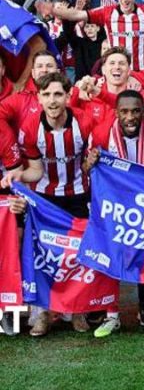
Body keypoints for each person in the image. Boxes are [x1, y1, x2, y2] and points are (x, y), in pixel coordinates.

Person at [1, 72, 94, 337]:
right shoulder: (30, 128)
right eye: (46, 94)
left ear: (67, 96)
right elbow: (36, 172)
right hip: (44, 200)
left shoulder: (84, 122)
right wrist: (17, 176)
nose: (52, 100)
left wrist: (91, 162)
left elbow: (90, 165)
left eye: (57, 94)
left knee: (79, 255)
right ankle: (41, 314)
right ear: (39, 98)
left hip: (78, 197)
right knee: (41, 256)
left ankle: (77, 312)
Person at [84, 90, 144, 339]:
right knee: (111, 257)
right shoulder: (102, 133)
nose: (130, 116)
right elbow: (87, 169)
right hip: (116, 206)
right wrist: (90, 162)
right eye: (124, 111)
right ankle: (112, 316)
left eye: (135, 111)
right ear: (116, 112)